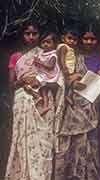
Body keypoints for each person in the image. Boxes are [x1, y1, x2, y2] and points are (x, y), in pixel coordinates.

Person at [5, 21, 60, 180]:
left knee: (44, 141)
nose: (31, 37)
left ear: (39, 35)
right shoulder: (16, 57)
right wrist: (23, 81)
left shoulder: (47, 55)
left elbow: (56, 80)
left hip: (44, 100)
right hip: (23, 100)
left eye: (34, 33)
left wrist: (40, 82)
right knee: (24, 139)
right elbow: (11, 85)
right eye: (27, 34)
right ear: (23, 36)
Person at [53, 27, 100, 180]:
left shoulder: (99, 58)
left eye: (92, 39)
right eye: (86, 38)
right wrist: (72, 80)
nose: (89, 41)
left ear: (97, 41)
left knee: (89, 140)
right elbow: (65, 77)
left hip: (91, 102)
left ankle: (88, 175)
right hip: (73, 103)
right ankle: (71, 175)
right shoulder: (73, 56)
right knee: (73, 140)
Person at [57, 28, 85, 105]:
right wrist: (64, 68)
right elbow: (61, 58)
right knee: (67, 82)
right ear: (63, 38)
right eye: (69, 38)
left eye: (74, 40)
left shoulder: (70, 48)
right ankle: (66, 96)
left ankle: (68, 95)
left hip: (70, 70)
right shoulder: (64, 47)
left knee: (69, 83)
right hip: (64, 69)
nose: (72, 41)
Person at [34, 31, 60, 115]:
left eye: (48, 42)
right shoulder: (41, 53)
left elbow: (50, 66)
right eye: (43, 42)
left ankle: (39, 98)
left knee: (37, 85)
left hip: (49, 75)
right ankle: (45, 106)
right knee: (43, 90)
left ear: (53, 44)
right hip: (43, 74)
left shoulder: (53, 54)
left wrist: (40, 62)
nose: (45, 44)